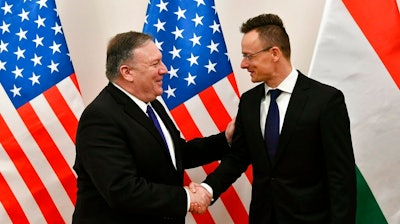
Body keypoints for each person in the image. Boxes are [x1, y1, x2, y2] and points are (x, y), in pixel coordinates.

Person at [190, 13, 357, 223]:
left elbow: (341, 176)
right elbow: (238, 157)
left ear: (275, 53)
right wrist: (207, 189)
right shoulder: (249, 102)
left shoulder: (326, 101)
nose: (243, 64)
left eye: (249, 56)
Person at [72, 31, 234, 224]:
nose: (164, 69)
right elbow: (122, 190)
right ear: (127, 72)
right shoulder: (100, 117)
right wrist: (188, 198)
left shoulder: (151, 104)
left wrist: (225, 140)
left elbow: (175, 154)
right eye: (155, 64)